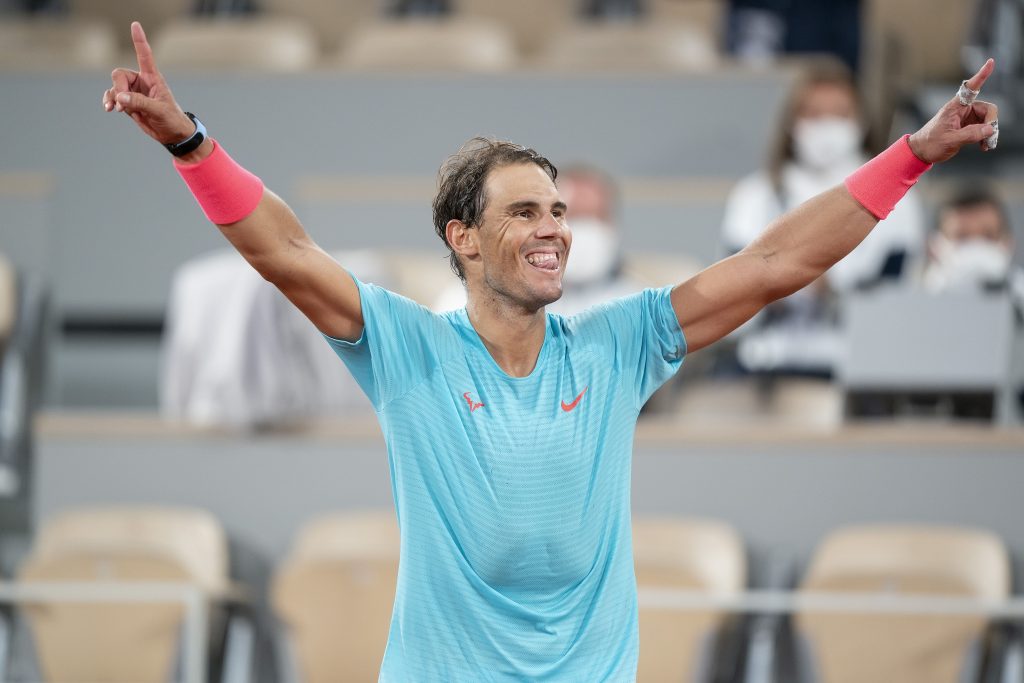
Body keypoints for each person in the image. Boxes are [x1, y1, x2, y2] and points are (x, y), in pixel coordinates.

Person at [102, 22, 998, 680]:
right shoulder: (407, 345)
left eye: (560, 211)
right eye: (524, 212)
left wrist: (911, 156)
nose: (554, 231)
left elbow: (774, 263)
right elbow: (285, 252)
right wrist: (189, 140)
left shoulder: (620, 342)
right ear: (462, 237)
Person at [721, 59, 925, 376]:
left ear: (861, 121)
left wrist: (830, 287)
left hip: (859, 363)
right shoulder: (753, 195)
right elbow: (730, 292)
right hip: (764, 362)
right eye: (814, 114)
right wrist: (778, 289)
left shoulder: (899, 196)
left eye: (839, 114)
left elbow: (896, 294)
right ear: (792, 122)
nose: (827, 126)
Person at [433, 164, 644, 314]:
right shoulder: (468, 300)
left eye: (596, 216)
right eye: (571, 216)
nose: (583, 232)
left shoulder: (637, 305)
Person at [923, 186, 1024, 307]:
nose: (976, 246)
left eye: (988, 236)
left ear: (1008, 243)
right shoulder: (908, 301)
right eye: (962, 237)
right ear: (934, 246)